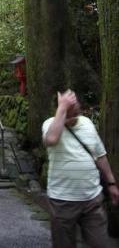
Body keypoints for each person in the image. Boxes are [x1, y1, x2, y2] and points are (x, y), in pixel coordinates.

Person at [43, 89, 119, 248]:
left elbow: (100, 156)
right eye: (67, 109)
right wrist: (62, 108)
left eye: (74, 105)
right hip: (62, 201)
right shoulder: (50, 124)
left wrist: (111, 183)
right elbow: (51, 139)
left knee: (101, 243)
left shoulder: (87, 123)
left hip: (92, 199)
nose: (72, 111)